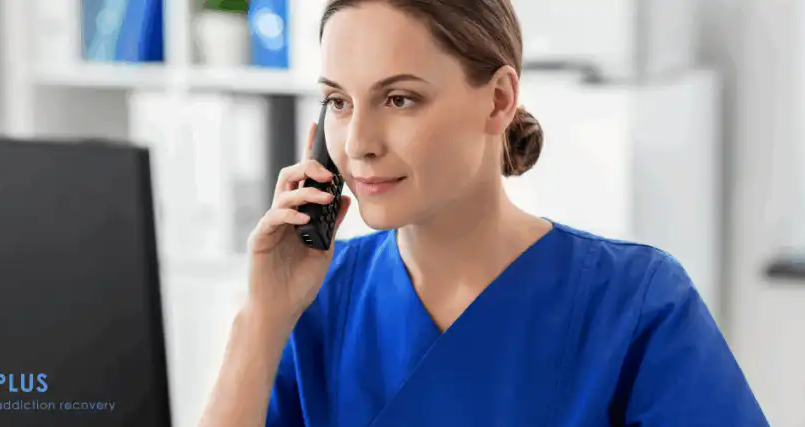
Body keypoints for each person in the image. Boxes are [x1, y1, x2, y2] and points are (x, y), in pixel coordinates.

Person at [198, 0, 770, 426]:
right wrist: (262, 317)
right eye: (340, 102)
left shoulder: (635, 303)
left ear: (498, 99)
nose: (358, 143)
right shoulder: (317, 301)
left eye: (399, 99)